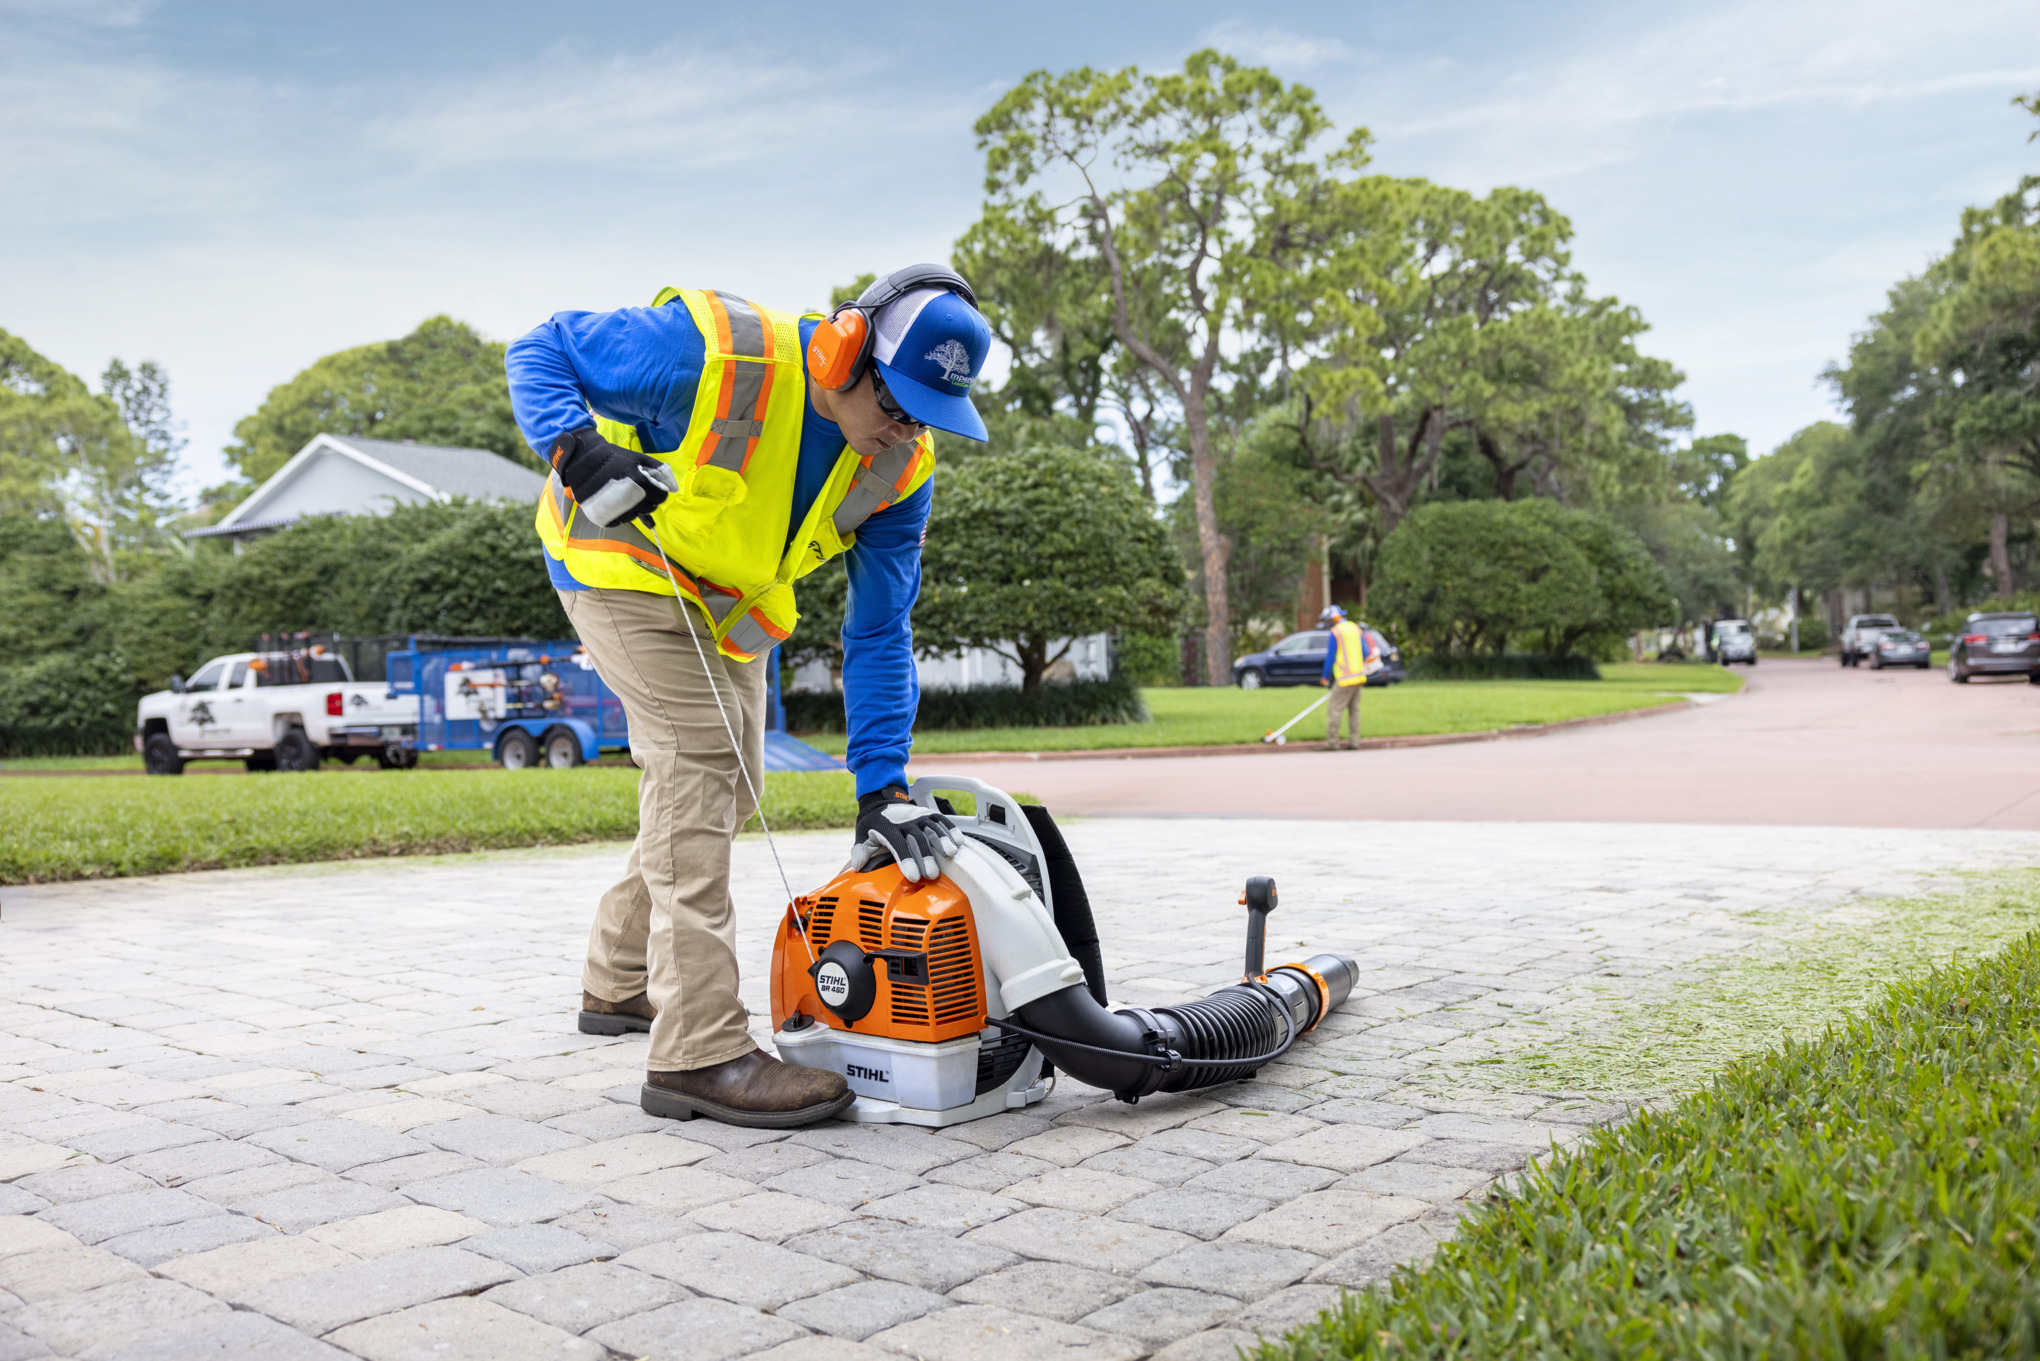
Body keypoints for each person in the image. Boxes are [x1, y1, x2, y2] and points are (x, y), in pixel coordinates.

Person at [505, 266, 991, 1128]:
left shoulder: (901, 471)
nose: (905, 433)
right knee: (696, 765)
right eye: (897, 406)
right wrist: (574, 444)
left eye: (928, 414)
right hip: (615, 562)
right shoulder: (717, 356)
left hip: (723, 597)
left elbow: (879, 632)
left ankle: (618, 980)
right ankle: (698, 1050)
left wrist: (881, 786)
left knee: (733, 788)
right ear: (844, 353)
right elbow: (539, 348)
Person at [1318, 605, 1374, 750]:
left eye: (1327, 619)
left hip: (1344, 678)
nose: (1327, 622)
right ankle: (1354, 742)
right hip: (1359, 676)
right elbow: (1365, 651)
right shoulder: (1355, 628)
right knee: (1354, 710)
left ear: (1333, 618)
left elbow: (1330, 657)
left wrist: (1325, 677)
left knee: (1334, 709)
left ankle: (1332, 743)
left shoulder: (1336, 632)